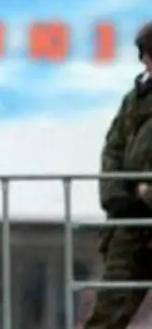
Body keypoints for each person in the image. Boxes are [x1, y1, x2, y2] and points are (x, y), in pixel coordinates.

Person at [84, 21, 152, 328]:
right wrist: (117, 197)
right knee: (109, 314)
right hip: (131, 223)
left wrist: (147, 192)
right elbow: (113, 150)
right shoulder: (132, 101)